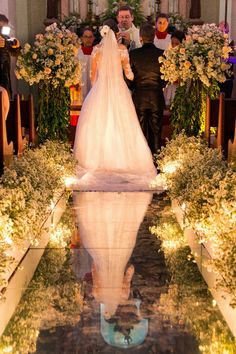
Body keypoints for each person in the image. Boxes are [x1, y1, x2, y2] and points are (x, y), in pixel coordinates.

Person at [73, 19, 158, 191]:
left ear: (103, 32)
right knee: (122, 125)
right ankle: (123, 160)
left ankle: (95, 161)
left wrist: (99, 89)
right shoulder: (122, 50)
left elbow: (92, 76)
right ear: (116, 33)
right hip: (119, 91)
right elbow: (130, 75)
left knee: (98, 125)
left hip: (100, 90)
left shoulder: (97, 50)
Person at [129, 23, 165, 154]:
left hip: (139, 97)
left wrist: (135, 87)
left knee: (140, 131)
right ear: (154, 36)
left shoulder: (133, 54)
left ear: (140, 38)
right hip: (156, 96)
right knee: (156, 131)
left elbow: (128, 78)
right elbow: (166, 77)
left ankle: (141, 161)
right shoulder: (162, 54)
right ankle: (156, 161)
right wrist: (158, 86)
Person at [163, 30, 186, 107]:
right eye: (172, 43)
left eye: (177, 44)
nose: (174, 46)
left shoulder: (186, 56)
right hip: (171, 85)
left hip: (181, 86)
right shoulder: (168, 54)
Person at [0, 14, 20, 97]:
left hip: (5, 72)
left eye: (3, 27)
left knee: (6, 92)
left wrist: (16, 46)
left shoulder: (6, 38)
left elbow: (15, 53)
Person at [78, 27, 95, 101]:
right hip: (80, 83)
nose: (88, 39)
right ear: (81, 38)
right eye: (86, 37)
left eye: (90, 37)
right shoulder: (76, 51)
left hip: (93, 83)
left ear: (93, 38)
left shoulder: (97, 51)